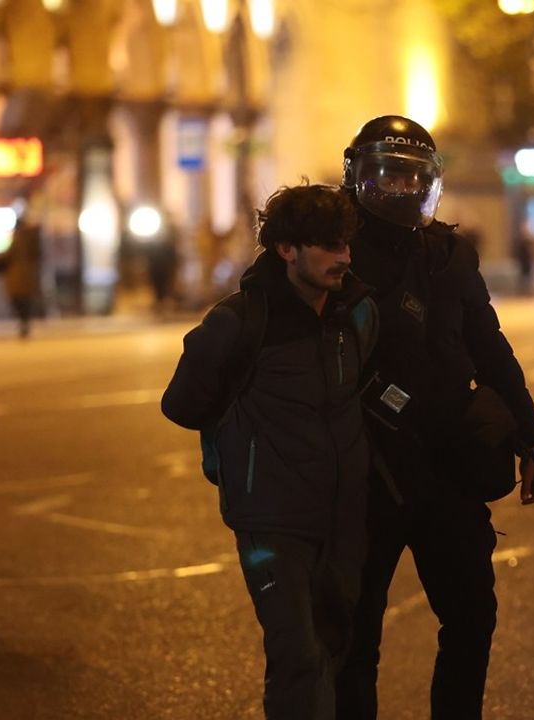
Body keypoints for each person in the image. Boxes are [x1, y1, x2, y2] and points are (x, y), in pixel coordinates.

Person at [334, 115, 534, 720]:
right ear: (358, 173)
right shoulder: (338, 253)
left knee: (472, 617)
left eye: (412, 177)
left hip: (449, 468)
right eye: (387, 174)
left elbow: (491, 347)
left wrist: (531, 440)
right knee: (356, 635)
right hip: (368, 472)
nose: (401, 189)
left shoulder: (450, 252)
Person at [162, 183, 378, 719]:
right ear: (287, 249)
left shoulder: (356, 314)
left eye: (346, 243)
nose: (344, 256)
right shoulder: (238, 322)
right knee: (297, 653)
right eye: (328, 245)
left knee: (335, 644)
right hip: (272, 519)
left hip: (344, 514)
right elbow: (183, 403)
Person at [0, 215, 42, 338]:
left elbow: (9, 256)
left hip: (16, 276)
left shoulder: (19, 238)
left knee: (18, 300)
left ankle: (24, 323)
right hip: (29, 277)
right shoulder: (33, 238)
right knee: (25, 301)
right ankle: (25, 323)